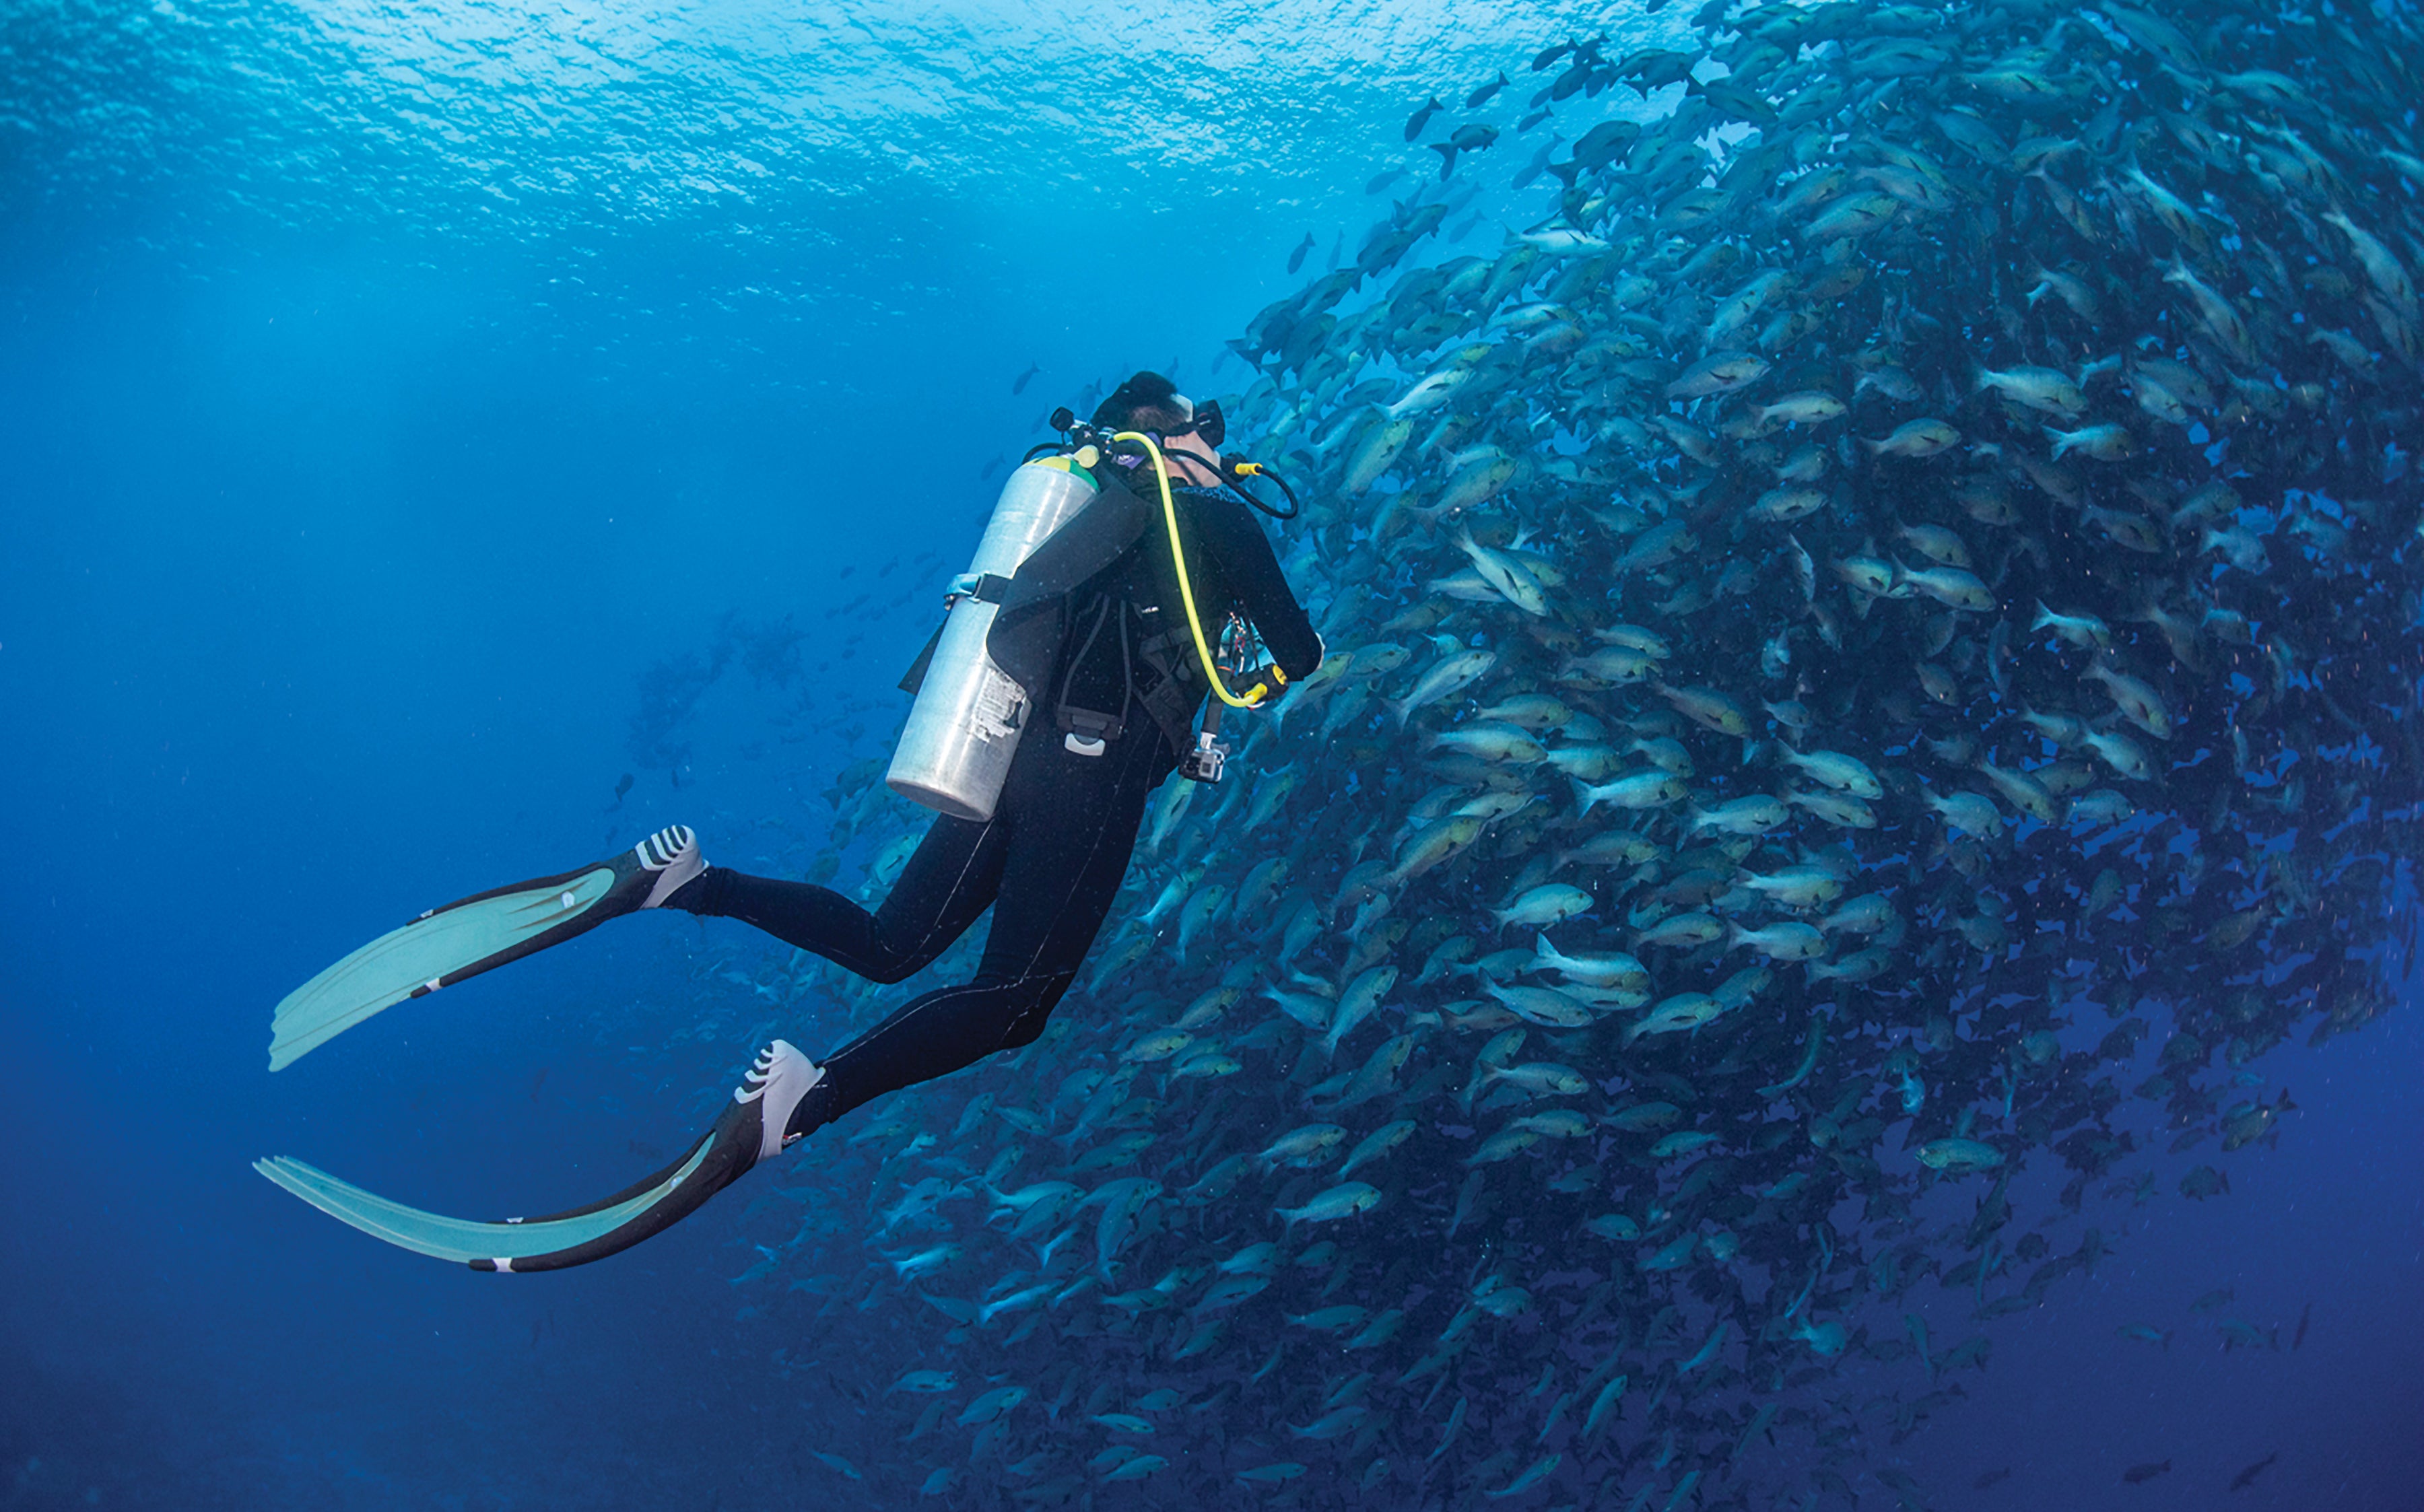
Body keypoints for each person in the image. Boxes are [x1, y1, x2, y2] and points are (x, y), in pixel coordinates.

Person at [255, 371, 1324, 1271]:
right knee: (1013, 1004)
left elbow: (1105, 656)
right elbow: (1298, 656)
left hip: (1014, 766)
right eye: (1208, 426)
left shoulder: (1090, 525)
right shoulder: (1216, 522)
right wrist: (1229, 689)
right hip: (1088, 785)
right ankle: (806, 1098)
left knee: (893, 942)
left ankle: (684, 881)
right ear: (1166, 435)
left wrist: (1182, 726)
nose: (1221, 445)